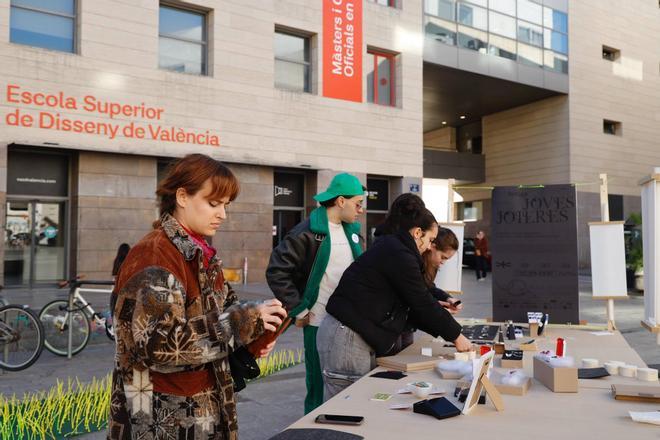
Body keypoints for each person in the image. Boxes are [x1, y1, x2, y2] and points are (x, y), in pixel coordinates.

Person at [108, 154, 286, 439]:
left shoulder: (198, 252)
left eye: (226, 205)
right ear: (182, 196)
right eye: (213, 203)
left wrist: (253, 334)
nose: (222, 214)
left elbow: (222, 313)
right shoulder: (155, 256)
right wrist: (243, 322)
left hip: (199, 413)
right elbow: (158, 346)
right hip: (158, 421)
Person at [318, 202, 472, 400]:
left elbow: (414, 302)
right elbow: (421, 301)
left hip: (354, 335)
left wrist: (442, 319)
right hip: (347, 336)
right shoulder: (399, 253)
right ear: (418, 233)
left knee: (360, 402)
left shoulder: (398, 249)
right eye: (430, 239)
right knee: (345, 408)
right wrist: (456, 335)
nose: (429, 245)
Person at [266, 173, 365, 414]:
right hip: (318, 321)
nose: (360, 210)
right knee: (318, 383)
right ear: (341, 201)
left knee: (347, 383)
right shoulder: (307, 231)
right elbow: (277, 271)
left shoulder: (352, 231)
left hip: (350, 323)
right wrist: (299, 308)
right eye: (358, 203)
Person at [423, 227, 463, 315]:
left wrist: (448, 298)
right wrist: (438, 310)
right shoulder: (414, 264)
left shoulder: (430, 265)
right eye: (443, 257)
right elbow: (418, 298)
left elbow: (429, 287)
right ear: (432, 247)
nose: (443, 262)